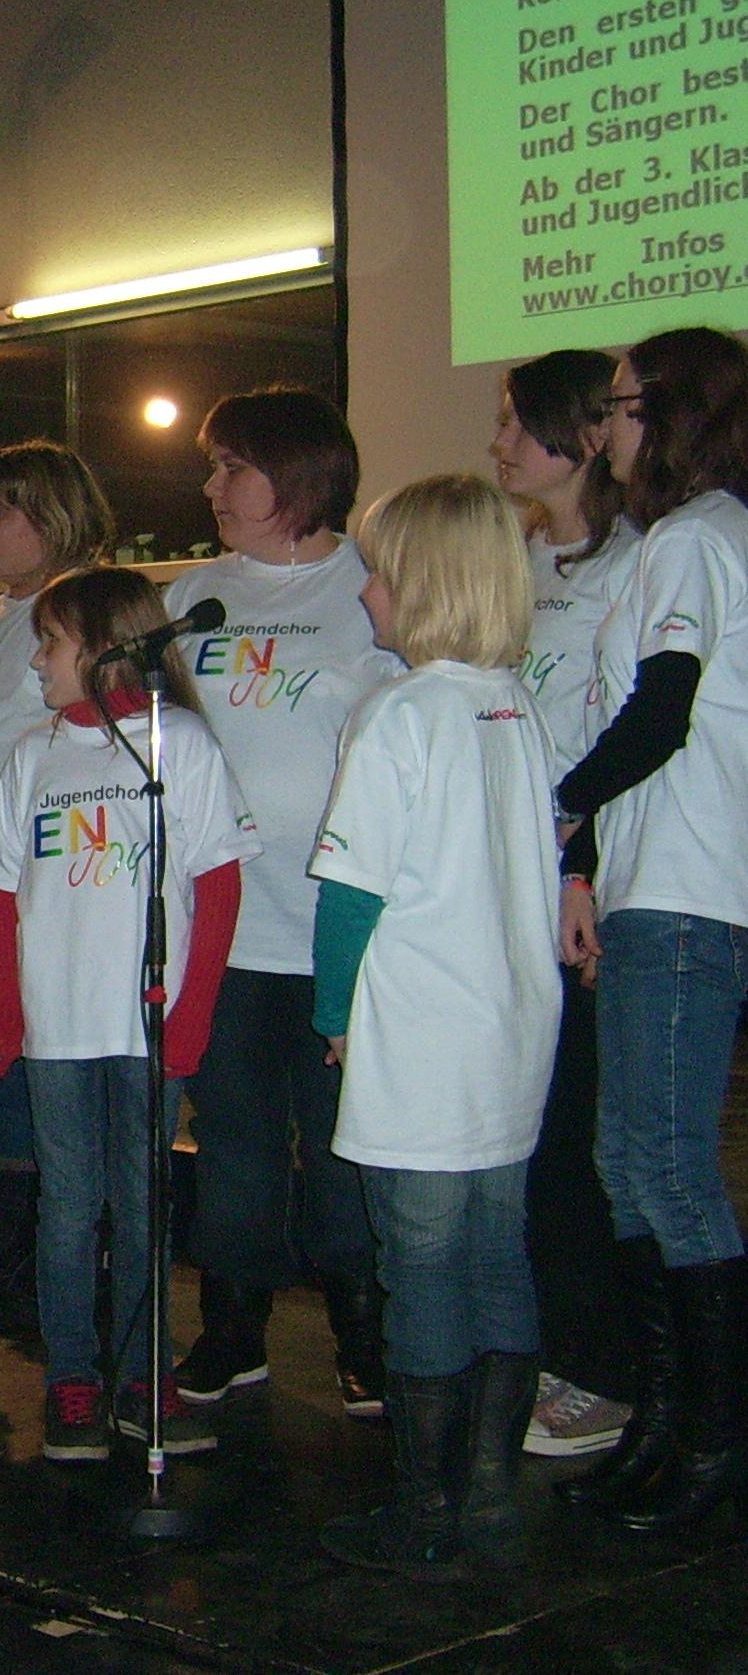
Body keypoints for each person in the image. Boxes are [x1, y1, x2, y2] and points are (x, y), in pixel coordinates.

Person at [312, 474, 560, 1575]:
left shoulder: (401, 713)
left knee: (416, 1263)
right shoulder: (515, 705)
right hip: (509, 1033)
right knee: (496, 1251)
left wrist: (333, 1015)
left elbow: (349, 895)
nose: (364, 590)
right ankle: (491, 1491)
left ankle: (424, 1507)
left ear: (425, 585)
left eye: (378, 572)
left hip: (417, 1036)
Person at [0, 569, 255, 1461]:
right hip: (59, 1024)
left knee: (143, 1207)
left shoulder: (182, 746)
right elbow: (2, 896)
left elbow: (217, 887)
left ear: (104, 648)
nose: (36, 660)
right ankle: (72, 1377)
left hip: (147, 1027)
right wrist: (6, 1017)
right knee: (68, 1205)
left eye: (51, 643)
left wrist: (192, 1017)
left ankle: (143, 1376)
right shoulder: (34, 754)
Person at [164, 388, 401, 1417]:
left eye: (231, 466)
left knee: (346, 1142)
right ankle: (233, 1329)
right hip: (225, 931)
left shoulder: (371, 584)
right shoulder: (193, 595)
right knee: (233, 1141)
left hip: (339, 931)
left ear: (297, 472)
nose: (211, 486)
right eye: (212, 466)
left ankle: (364, 1332)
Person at [551, 326, 748, 1535]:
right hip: (651, 881)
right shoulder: (684, 538)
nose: (603, 428)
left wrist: (557, 803)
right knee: (628, 1162)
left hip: (683, 887)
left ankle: (713, 1438)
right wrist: (581, 857)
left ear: (674, 414)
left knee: (663, 1165)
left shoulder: (694, 536)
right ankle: (663, 1421)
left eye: (621, 406)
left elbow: (661, 708)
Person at [491, 350, 643, 1459]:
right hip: (506, 875)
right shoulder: (516, 557)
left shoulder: (642, 560)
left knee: (582, 1142)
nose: (498, 443)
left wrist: (575, 859)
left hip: (589, 881)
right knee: (528, 1136)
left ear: (583, 435)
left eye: (516, 423)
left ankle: (605, 1372)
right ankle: (554, 1349)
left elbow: (631, 731)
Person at [0, 442, 117, 1322]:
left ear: (52, 515)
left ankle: (50, 1262)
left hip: (53, 898)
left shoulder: (84, 611)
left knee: (49, 1083)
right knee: (2, 1068)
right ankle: (11, 1249)